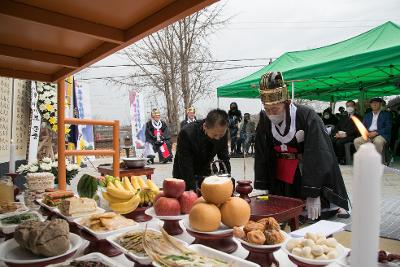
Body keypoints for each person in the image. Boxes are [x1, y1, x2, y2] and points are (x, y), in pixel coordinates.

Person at [254, 71, 349, 221]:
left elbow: (318, 152)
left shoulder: (307, 116)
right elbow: (261, 152)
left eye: (275, 109)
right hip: (280, 171)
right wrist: (263, 183)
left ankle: (323, 201)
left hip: (307, 170)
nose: (271, 114)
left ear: (286, 102)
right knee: (282, 207)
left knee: (313, 212)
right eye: (267, 109)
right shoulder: (264, 119)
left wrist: (314, 192)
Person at [173, 109, 231, 190]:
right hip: (184, 173)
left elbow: (224, 158)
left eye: (220, 136)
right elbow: (185, 164)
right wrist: (192, 190)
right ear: (205, 127)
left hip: (205, 169)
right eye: (214, 135)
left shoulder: (222, 133)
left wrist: (227, 182)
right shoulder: (187, 133)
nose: (218, 138)